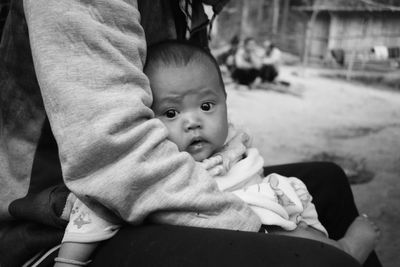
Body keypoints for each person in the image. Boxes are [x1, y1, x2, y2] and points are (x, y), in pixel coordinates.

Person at [0, 1, 382, 267]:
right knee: (316, 259)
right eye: (171, 113)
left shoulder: (188, 8)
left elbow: (199, 101)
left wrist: (233, 152)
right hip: (66, 220)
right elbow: (114, 155)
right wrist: (265, 228)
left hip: (147, 183)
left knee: (327, 180)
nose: (193, 121)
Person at [142, 40, 380, 264]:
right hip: (226, 218)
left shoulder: (231, 140)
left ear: (225, 101)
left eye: (206, 106)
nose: (193, 122)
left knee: (310, 200)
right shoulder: (169, 165)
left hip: (262, 194)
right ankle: (344, 251)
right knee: (286, 233)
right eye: (171, 113)